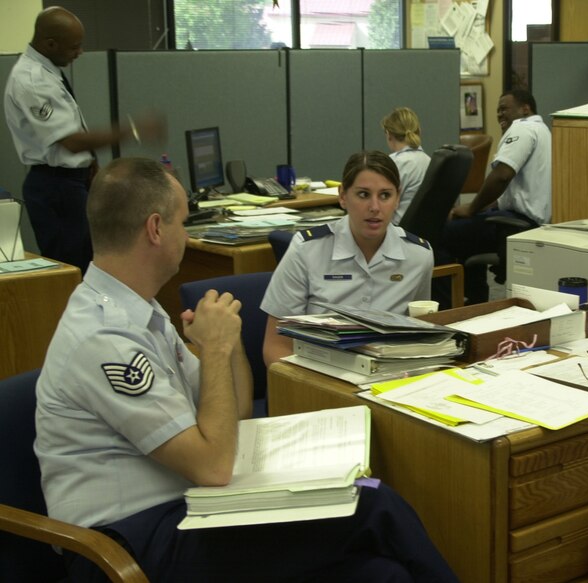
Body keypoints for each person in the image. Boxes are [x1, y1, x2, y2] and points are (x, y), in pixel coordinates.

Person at [34, 157, 458, 583]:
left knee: (379, 573)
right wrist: (214, 350)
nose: (186, 234)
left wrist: (230, 344)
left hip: (193, 508)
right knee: (371, 500)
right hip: (131, 541)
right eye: (184, 223)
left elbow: (233, 414)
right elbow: (214, 464)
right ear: (156, 229)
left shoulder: (142, 313)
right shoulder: (104, 338)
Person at [3, 6, 164, 274]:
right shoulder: (31, 80)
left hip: (70, 182)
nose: (80, 52)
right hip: (55, 187)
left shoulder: (48, 69)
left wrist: (89, 163)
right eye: (74, 47)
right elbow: (69, 141)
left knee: (89, 263)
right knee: (74, 270)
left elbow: (68, 133)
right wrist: (133, 129)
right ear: (50, 43)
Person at [262, 150, 434, 366]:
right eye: (363, 194)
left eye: (385, 195)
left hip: (386, 377)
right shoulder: (307, 250)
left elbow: (419, 333)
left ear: (397, 198)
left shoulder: (418, 255)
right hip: (316, 374)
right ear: (343, 196)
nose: (374, 207)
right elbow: (275, 346)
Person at [440, 89, 551, 304]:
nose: (499, 115)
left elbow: (502, 175)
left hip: (514, 226)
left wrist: (471, 208)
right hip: (528, 223)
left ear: (525, 109)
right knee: (466, 233)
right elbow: (513, 191)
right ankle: (475, 303)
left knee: (441, 234)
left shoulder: (523, 128)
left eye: (504, 109)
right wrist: (481, 207)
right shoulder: (543, 131)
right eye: (497, 111)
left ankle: (447, 309)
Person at [382, 107, 431, 224]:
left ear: (389, 134)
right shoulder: (429, 161)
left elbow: (379, 205)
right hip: (423, 231)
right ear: (419, 131)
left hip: (395, 232)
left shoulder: (392, 164)